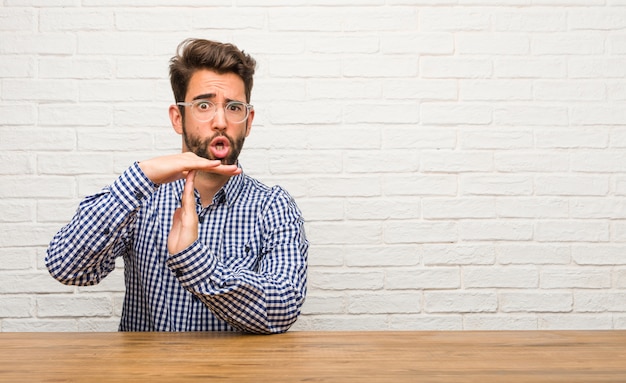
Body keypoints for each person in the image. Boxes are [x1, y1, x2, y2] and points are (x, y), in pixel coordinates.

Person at [45, 38, 309, 334]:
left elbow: (283, 308)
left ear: (248, 121)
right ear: (177, 118)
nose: (220, 121)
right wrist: (142, 174)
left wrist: (193, 262)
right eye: (204, 105)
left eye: (234, 107)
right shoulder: (140, 197)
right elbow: (66, 267)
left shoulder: (273, 206)